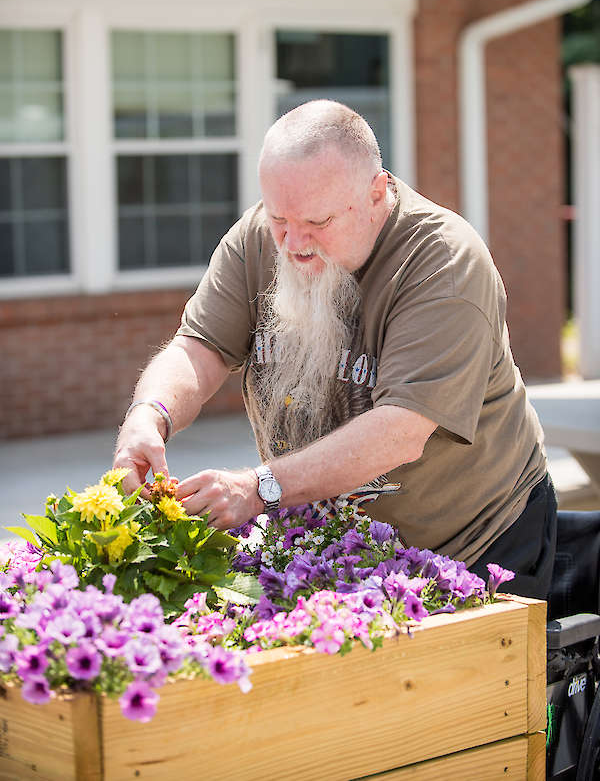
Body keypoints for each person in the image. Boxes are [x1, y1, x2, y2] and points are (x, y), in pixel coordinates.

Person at [114, 100, 557, 599]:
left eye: (318, 221)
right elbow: (199, 347)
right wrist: (149, 415)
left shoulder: (444, 263)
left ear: (375, 193)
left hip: (477, 546)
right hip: (332, 553)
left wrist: (256, 489)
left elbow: (401, 432)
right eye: (279, 217)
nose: (294, 243)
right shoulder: (260, 236)